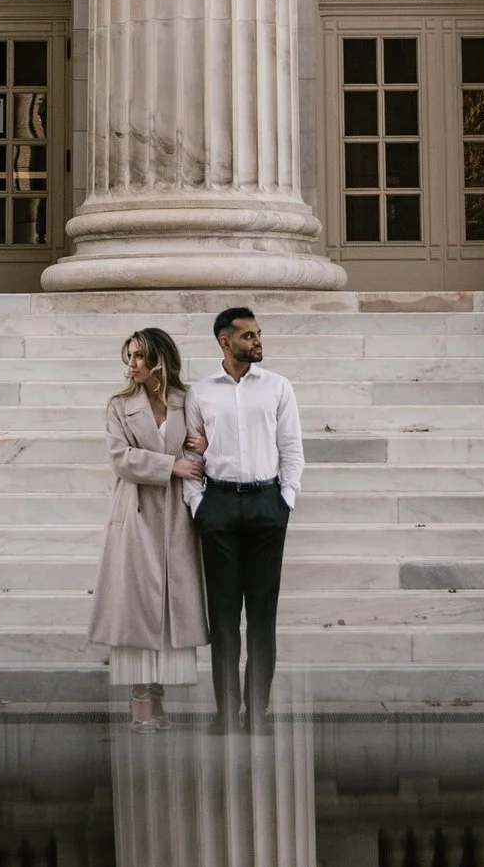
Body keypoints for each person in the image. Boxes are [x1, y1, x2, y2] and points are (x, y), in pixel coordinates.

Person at [183, 306, 302, 734]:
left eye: (258, 334)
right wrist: (199, 506)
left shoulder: (277, 387)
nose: (257, 341)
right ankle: (225, 712)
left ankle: (257, 711)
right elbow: (191, 455)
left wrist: (285, 499)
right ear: (225, 342)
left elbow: (291, 447)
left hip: (267, 506)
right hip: (219, 509)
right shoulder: (201, 393)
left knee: (263, 619)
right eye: (248, 336)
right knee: (224, 618)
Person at [88, 327, 209, 731]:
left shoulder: (185, 400)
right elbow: (120, 458)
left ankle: (160, 695)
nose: (132, 364)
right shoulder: (120, 405)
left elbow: (198, 447)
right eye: (130, 356)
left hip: (177, 514)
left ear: (159, 359)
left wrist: (199, 453)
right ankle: (140, 697)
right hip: (136, 513)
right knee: (136, 605)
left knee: (172, 605)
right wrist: (169, 465)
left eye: (140, 356)